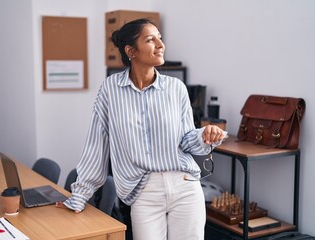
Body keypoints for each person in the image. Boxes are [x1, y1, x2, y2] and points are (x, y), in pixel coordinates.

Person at [56, 18, 227, 240]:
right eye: (150, 39)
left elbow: (186, 140)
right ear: (131, 51)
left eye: (160, 38)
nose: (160, 44)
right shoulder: (111, 90)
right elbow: (97, 145)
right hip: (143, 191)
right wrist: (79, 196)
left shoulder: (176, 88)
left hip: (184, 186)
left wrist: (205, 136)